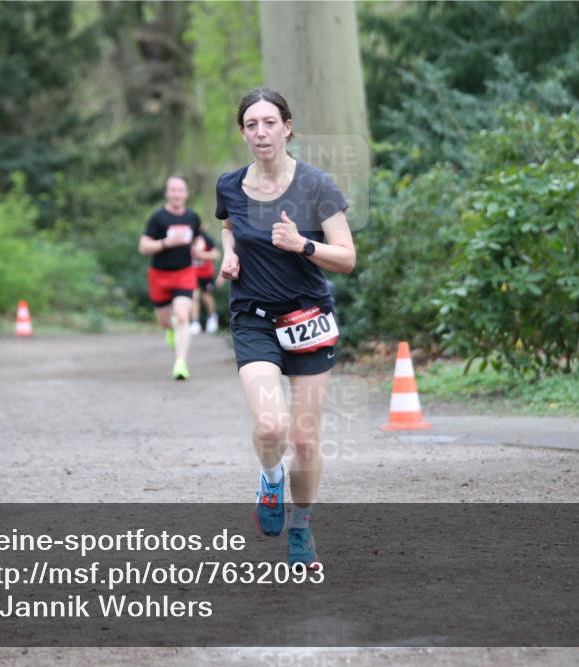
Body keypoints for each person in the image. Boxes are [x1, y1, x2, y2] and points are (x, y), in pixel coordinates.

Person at [215, 88, 355, 568]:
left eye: (269, 122)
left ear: (288, 127)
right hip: (253, 317)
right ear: (243, 132)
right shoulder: (230, 185)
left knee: (304, 439)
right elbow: (230, 224)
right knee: (271, 426)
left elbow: (347, 257)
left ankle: (302, 527)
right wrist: (228, 253)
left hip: (308, 318)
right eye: (251, 124)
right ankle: (270, 479)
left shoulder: (316, 186)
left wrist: (302, 244)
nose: (261, 132)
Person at [138, 175, 202, 380]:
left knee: (183, 315)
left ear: (186, 193)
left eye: (180, 190)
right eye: (172, 190)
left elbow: (199, 241)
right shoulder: (158, 218)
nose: (176, 194)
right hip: (160, 275)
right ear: (167, 193)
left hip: (184, 273)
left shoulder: (193, 217)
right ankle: (170, 330)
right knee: (165, 321)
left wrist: (197, 249)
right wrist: (166, 242)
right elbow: (143, 247)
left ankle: (180, 363)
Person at [189, 229, 220, 334]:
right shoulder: (188, 238)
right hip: (192, 274)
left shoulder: (207, 239)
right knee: (194, 296)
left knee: (207, 297)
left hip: (206, 274)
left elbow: (216, 255)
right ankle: (195, 322)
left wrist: (201, 254)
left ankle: (212, 318)